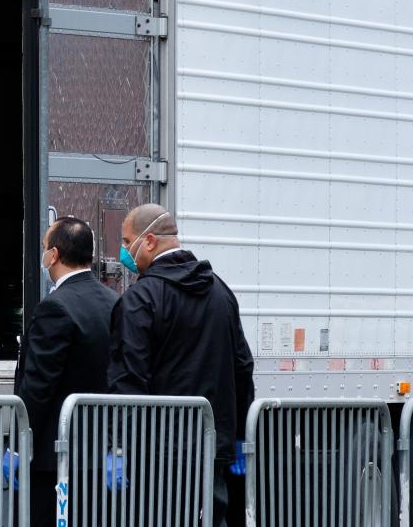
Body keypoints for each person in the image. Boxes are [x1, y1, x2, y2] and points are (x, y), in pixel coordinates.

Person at [107, 204, 255, 527]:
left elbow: (127, 381)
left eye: (126, 239)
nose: (123, 250)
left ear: (148, 242)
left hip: (156, 457)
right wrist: (240, 437)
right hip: (211, 450)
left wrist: (118, 447)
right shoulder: (221, 292)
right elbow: (242, 366)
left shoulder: (140, 300)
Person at [14, 217, 118, 526]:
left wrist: (18, 443)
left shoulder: (55, 307)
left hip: (56, 456)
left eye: (45, 247)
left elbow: (39, 385)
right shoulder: (114, 302)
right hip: (98, 453)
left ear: (55, 254)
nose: (43, 254)